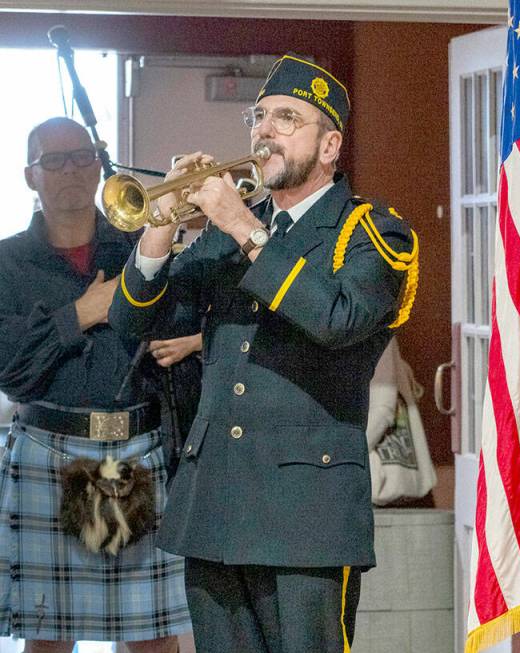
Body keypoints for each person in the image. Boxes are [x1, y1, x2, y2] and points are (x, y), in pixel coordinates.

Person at [109, 55, 419, 653]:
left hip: (308, 514)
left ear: (330, 146)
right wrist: (161, 226)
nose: (264, 130)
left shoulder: (371, 233)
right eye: (259, 116)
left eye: (286, 118)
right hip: (215, 504)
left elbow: (336, 318)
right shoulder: (232, 230)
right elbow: (133, 322)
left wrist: (243, 230)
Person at [0, 117, 192, 653]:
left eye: (82, 156)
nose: (71, 170)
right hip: (46, 451)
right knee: (49, 640)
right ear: (29, 176)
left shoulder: (139, 250)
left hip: (137, 449)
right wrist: (81, 313)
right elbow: (9, 368)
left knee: (154, 638)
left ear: (99, 163)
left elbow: (175, 336)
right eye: (53, 160)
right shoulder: (5, 262)